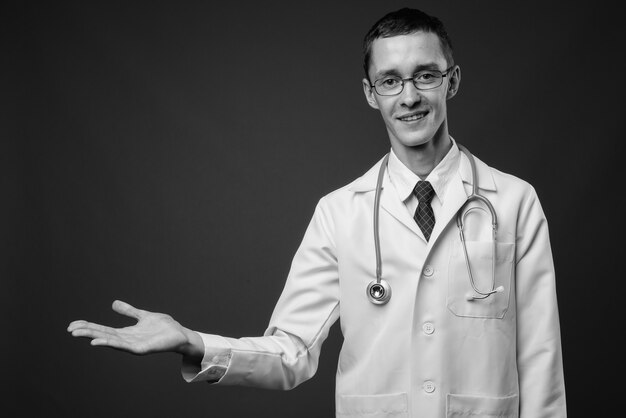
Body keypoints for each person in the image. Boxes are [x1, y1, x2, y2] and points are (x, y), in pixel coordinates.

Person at [68, 8, 566, 417]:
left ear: (451, 81)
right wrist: (195, 342)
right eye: (390, 81)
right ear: (371, 94)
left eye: (426, 76)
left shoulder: (514, 201)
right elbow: (292, 353)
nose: (410, 96)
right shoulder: (338, 212)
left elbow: (540, 360)